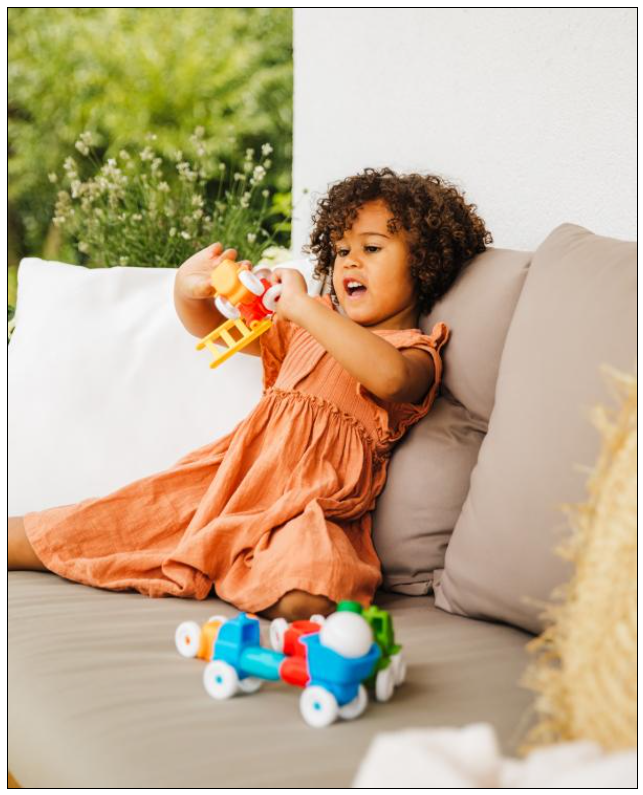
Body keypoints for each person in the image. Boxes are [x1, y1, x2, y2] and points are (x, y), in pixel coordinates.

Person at [8, 167, 492, 621]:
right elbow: (213, 330)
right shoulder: (306, 328)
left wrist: (303, 307)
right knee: (98, 523)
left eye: (371, 247)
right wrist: (188, 290)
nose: (349, 260)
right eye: (341, 250)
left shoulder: (413, 352)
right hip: (230, 481)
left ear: (424, 263)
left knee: (313, 590)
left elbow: (389, 379)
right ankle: (216, 553)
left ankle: (235, 563)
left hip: (306, 508)